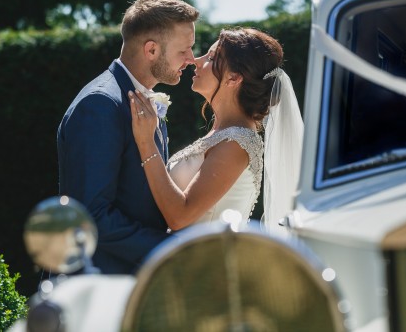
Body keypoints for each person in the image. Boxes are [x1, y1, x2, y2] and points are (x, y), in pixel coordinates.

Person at [57, 0, 199, 274]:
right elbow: (91, 215)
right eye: (185, 50)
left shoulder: (140, 98)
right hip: (100, 282)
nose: (191, 59)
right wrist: (169, 250)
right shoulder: (100, 104)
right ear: (151, 50)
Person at [129, 28, 304, 233]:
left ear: (234, 78)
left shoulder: (236, 144)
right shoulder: (223, 135)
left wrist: (146, 143)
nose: (196, 60)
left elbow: (180, 217)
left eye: (211, 58)